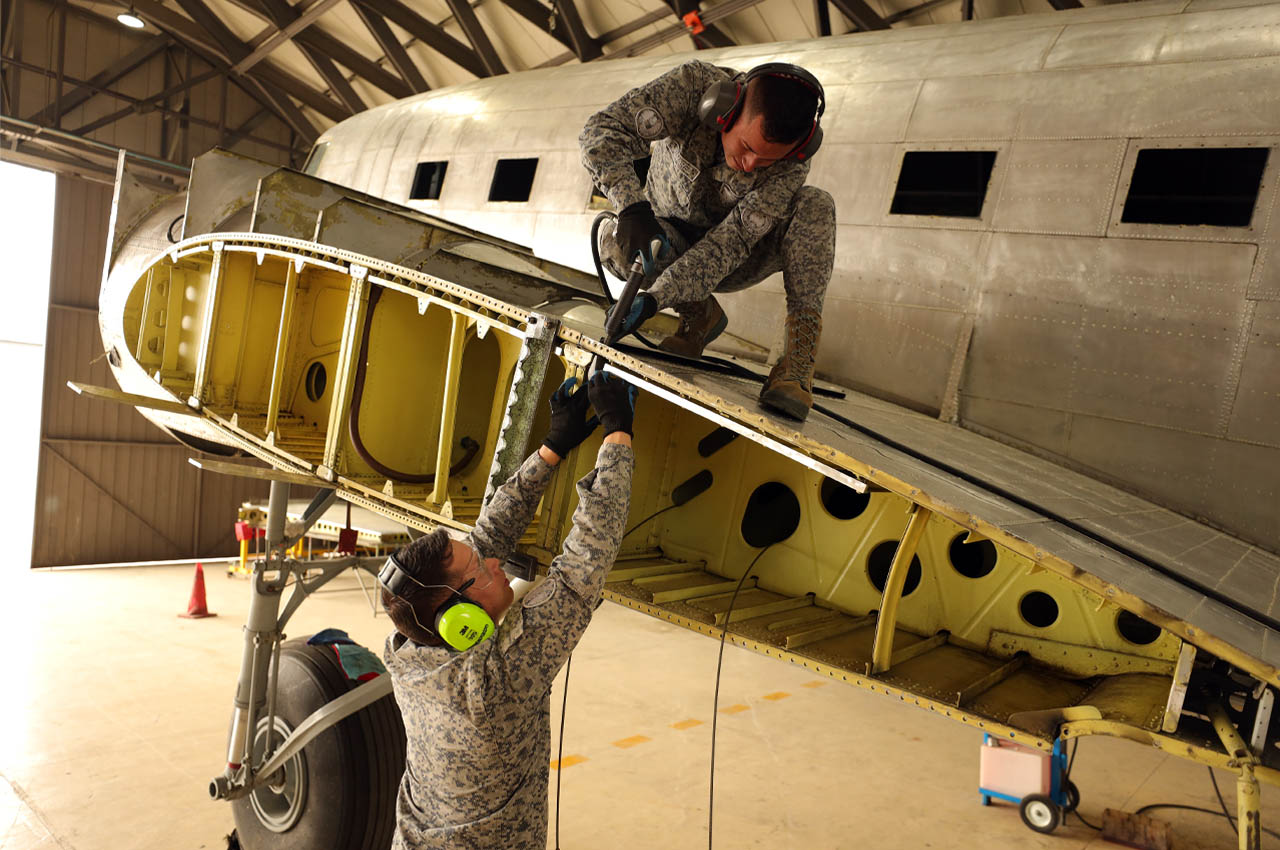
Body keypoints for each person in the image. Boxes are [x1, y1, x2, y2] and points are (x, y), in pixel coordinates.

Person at [378, 368, 638, 849]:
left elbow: (483, 540)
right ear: (462, 618)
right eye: (484, 570)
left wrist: (552, 447)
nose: (497, 562)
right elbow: (583, 567)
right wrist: (617, 436)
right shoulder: (494, 686)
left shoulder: (408, 647)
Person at [580, 59, 836, 421]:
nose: (750, 165)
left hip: (732, 257)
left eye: (765, 161)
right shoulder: (692, 86)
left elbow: (727, 248)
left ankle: (797, 364)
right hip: (663, 236)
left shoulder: (792, 165)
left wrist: (654, 300)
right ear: (725, 109)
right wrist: (631, 208)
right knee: (613, 242)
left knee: (816, 204)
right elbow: (601, 131)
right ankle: (699, 317)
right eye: (747, 146)